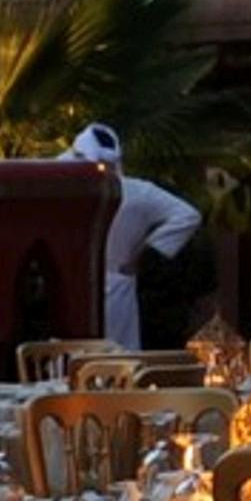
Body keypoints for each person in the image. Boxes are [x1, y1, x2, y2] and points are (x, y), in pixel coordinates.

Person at [73, 122, 202, 349]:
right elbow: (187, 215)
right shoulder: (64, 188)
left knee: (115, 358)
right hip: (77, 284)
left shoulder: (136, 191)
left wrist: (146, 251)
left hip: (114, 284)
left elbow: (188, 215)